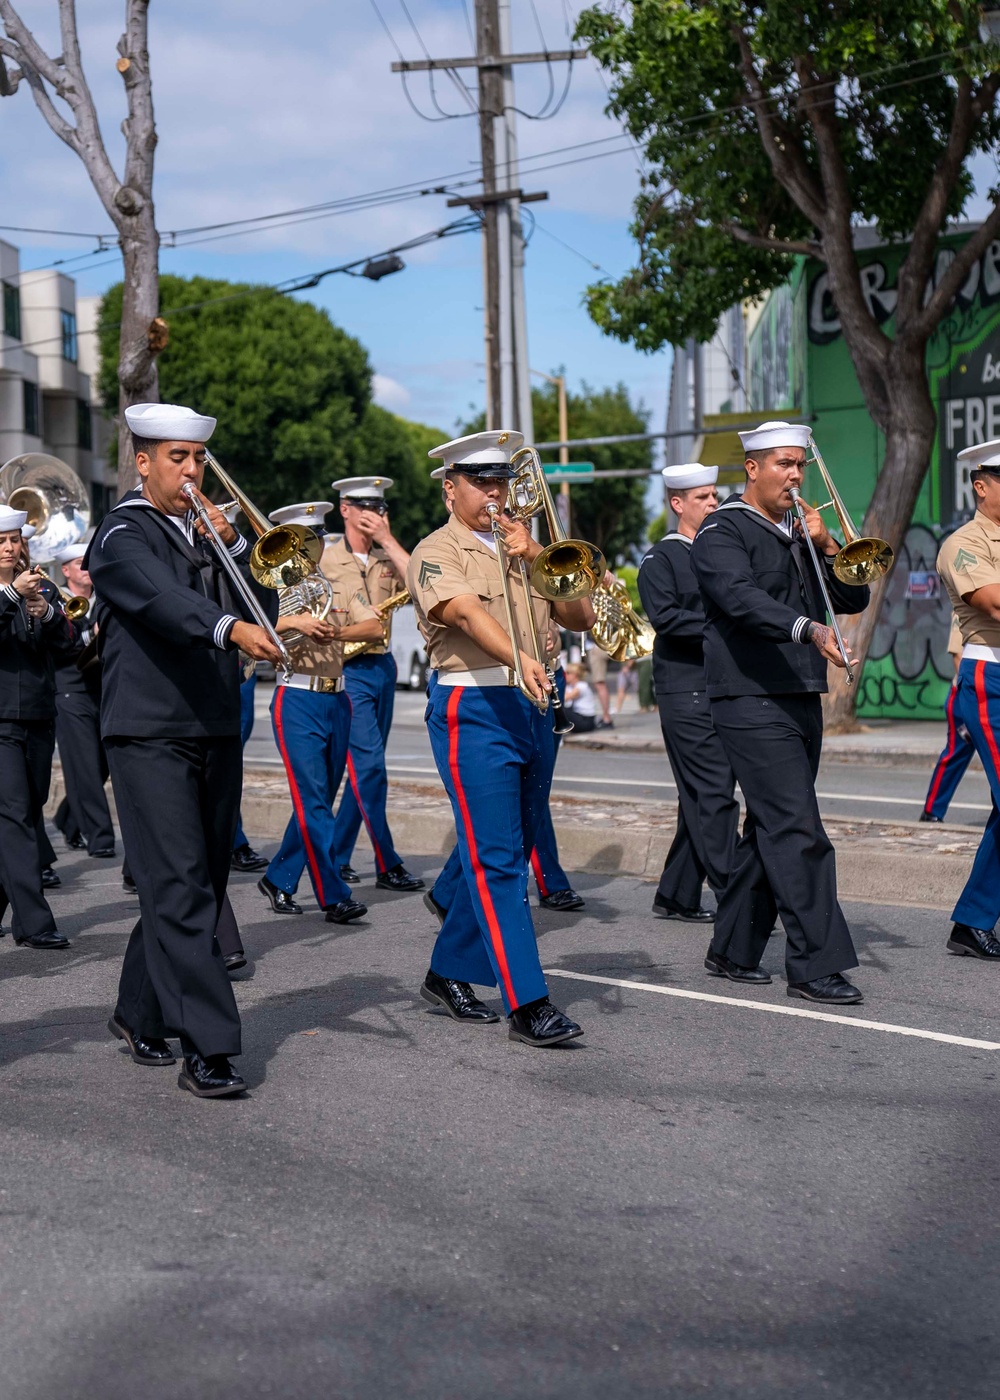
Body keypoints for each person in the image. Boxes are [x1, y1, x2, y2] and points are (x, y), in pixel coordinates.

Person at [87, 401, 284, 1099]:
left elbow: (262, 603)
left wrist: (235, 551)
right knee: (176, 887)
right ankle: (210, 1046)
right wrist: (229, 627)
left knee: (193, 883)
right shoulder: (120, 535)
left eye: (198, 458)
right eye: (179, 458)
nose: (193, 471)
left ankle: (137, 1009)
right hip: (147, 733)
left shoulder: (206, 535)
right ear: (143, 463)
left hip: (212, 726)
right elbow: (161, 600)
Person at [407, 429, 596, 1047]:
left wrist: (537, 555)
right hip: (475, 702)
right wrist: (517, 658)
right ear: (449, 489)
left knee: (505, 848)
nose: (493, 492)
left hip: (533, 703)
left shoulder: (523, 543)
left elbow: (581, 617)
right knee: (499, 862)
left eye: (500, 481)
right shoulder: (436, 550)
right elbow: (464, 613)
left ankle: (447, 970)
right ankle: (529, 1003)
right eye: (479, 481)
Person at [690, 421, 869, 1005]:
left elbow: (854, 596)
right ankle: (815, 965)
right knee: (797, 827)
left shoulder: (800, 529)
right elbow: (738, 597)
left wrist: (827, 545)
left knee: (769, 824)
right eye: (784, 464)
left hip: (798, 693)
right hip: (746, 697)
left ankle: (733, 948)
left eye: (800, 465)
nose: (795, 476)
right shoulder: (722, 528)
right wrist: (806, 627)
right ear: (752, 468)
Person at [255, 500, 382, 924]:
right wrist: (294, 623)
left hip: (338, 698)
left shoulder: (336, 581)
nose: (309, 549)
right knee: (312, 803)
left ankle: (279, 878)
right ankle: (334, 895)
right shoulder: (268, 588)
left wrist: (335, 631)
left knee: (319, 801)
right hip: (297, 698)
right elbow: (249, 633)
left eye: (313, 538)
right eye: (299, 541)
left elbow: (374, 626)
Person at [637, 464, 739, 924]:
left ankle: (676, 894)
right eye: (703, 498)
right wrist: (727, 627)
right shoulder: (661, 559)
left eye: (714, 496)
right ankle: (737, 896)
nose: (713, 503)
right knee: (715, 792)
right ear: (678, 504)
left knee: (698, 796)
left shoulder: (720, 551)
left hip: (720, 685)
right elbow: (667, 620)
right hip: (685, 690)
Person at [324, 476, 423, 893]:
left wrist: (390, 540)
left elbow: (422, 587)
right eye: (365, 506)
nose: (374, 514)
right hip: (346, 669)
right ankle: (388, 862)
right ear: (345, 509)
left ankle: (337, 855)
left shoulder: (386, 558)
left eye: (380, 508)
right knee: (370, 769)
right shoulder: (326, 560)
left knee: (363, 771)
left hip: (381, 668)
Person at [0, 505, 76, 949]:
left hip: (39, 714)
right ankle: (34, 923)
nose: (11, 549)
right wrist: (11, 597)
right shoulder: (9, 591)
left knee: (27, 811)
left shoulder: (39, 585)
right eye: (2, 542)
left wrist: (47, 611)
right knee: (15, 818)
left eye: (15, 541)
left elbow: (68, 647)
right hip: (2, 719)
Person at [935, 438, 1000, 959]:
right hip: (989, 679)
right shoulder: (964, 542)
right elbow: (992, 603)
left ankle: (972, 921)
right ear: (981, 486)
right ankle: (972, 920)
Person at [51, 541, 116, 859]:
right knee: (85, 766)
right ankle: (101, 838)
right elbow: (60, 645)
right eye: (80, 563)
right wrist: (92, 634)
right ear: (65, 571)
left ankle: (66, 818)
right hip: (69, 689)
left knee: (104, 762)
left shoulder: (104, 597)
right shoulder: (57, 600)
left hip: (103, 688)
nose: (87, 569)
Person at [920, 614, 975, 822]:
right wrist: (971, 697)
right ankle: (931, 812)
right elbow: (958, 657)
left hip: (991, 694)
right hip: (966, 696)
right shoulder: (965, 605)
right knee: (956, 754)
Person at [584, 635, 613, 728]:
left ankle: (607, 718)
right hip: (598, 645)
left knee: (599, 683)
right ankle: (606, 716)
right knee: (600, 684)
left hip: (597, 646)